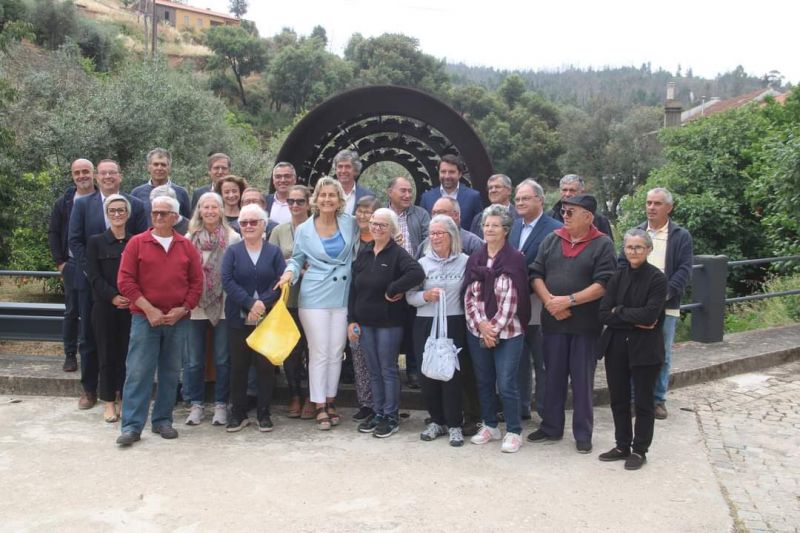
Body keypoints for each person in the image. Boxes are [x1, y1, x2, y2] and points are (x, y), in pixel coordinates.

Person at [528, 194, 617, 454]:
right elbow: (536, 274)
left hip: (585, 326)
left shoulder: (602, 244)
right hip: (553, 322)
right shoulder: (552, 239)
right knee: (552, 377)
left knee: (582, 381)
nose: (564, 216)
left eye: (570, 212)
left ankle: (583, 433)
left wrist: (568, 301)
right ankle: (551, 427)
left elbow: (604, 283)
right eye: (563, 212)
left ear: (588, 217)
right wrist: (550, 302)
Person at [115, 196, 203, 446]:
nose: (158, 217)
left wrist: (183, 309)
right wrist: (149, 309)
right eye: (155, 212)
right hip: (145, 319)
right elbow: (125, 281)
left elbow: (197, 283)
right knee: (138, 372)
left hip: (177, 320)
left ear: (175, 217)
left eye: (164, 213)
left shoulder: (186, 246)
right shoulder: (137, 243)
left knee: (170, 372)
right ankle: (132, 426)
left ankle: (163, 420)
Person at [277, 177, 359, 430]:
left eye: (331, 195)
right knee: (319, 351)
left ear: (339, 199)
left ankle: (331, 400)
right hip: (314, 295)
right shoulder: (304, 229)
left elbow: (364, 244)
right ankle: (319, 404)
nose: (327, 199)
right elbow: (296, 259)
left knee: (336, 351)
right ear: (316, 200)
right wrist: (288, 273)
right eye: (322, 195)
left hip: (342, 294)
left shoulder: (350, 223)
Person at [68, 159, 148, 410]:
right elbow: (75, 241)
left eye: (113, 172)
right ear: (96, 176)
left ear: (120, 176)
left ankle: (120, 392)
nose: (108, 177)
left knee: (125, 343)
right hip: (92, 284)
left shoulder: (135, 205)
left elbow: (143, 242)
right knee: (90, 339)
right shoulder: (83, 204)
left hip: (128, 290)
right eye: (103, 173)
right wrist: (91, 271)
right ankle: (90, 390)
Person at [348, 208, 425, 438]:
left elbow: (417, 273)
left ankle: (391, 416)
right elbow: (353, 288)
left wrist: (393, 288)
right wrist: (351, 320)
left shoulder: (398, 254)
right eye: (374, 223)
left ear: (392, 229)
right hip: (365, 322)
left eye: (382, 225)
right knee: (373, 370)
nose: (377, 228)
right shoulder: (364, 252)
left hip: (389, 322)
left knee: (387, 369)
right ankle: (378, 412)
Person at [620, 187, 693, 420]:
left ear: (669, 208)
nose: (651, 207)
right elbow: (622, 264)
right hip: (636, 305)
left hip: (666, 305)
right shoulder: (636, 232)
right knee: (635, 351)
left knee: (662, 354)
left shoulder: (680, 236)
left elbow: (684, 270)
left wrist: (663, 294)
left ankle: (657, 400)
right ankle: (635, 399)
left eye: (657, 203)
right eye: (649, 202)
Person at [463, 205, 530, 453]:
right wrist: (481, 326)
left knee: (506, 382)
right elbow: (469, 296)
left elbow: (513, 299)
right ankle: (490, 425)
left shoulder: (515, 258)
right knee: (484, 380)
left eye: (495, 225)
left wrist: (493, 329)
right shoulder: (475, 258)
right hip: (478, 330)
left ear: (506, 230)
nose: (489, 229)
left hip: (509, 332)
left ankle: (513, 430)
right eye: (486, 225)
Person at [598, 229, 667, 470]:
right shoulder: (617, 277)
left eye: (638, 247)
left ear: (648, 249)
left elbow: (650, 315)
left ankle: (639, 450)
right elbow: (603, 313)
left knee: (644, 402)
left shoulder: (657, 279)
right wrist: (630, 317)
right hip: (616, 346)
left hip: (645, 348)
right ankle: (622, 445)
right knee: (618, 399)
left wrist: (619, 311)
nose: (633, 251)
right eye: (629, 247)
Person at [221, 204, 286, 432]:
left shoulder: (274, 252)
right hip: (238, 318)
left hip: (267, 319)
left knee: (265, 367)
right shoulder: (233, 251)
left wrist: (262, 304)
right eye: (244, 222)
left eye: (253, 222)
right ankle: (238, 413)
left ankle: (263, 413)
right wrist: (250, 303)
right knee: (238, 366)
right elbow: (227, 280)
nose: (248, 226)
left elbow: (280, 281)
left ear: (263, 225)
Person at [407, 214, 470, 447]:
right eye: (431, 234)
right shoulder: (421, 264)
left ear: (451, 235)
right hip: (426, 322)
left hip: (455, 322)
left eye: (439, 233)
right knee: (428, 373)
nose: (434, 238)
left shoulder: (465, 261)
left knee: (452, 374)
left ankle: (455, 424)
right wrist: (425, 296)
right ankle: (436, 421)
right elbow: (409, 297)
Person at [183, 192, 241, 427]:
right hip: (196, 306)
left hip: (224, 304)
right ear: (199, 210)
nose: (209, 211)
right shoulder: (189, 238)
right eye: (205, 207)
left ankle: (220, 405)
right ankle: (196, 405)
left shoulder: (233, 237)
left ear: (221, 210)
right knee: (194, 360)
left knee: (222, 359)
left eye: (214, 207)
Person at [508, 179, 562, 420]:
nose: (520, 202)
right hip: (516, 307)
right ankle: (521, 409)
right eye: (517, 199)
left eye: (525, 198)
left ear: (540, 200)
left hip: (542, 304)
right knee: (519, 362)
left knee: (543, 363)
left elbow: (556, 267)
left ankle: (546, 413)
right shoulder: (514, 227)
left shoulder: (555, 229)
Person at [86, 194, 132, 423]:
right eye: (112, 210)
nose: (117, 214)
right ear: (107, 214)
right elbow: (93, 276)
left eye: (121, 210)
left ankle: (123, 398)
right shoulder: (96, 241)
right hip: (104, 307)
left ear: (127, 213)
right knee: (106, 354)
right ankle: (108, 402)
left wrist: (130, 297)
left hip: (130, 307)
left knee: (126, 355)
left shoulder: (136, 241)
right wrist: (113, 297)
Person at [268, 185, 313, 419]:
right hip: (288, 300)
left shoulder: (318, 227)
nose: (295, 205)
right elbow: (271, 262)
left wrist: (298, 266)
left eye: (300, 201)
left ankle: (312, 396)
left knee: (313, 350)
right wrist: (292, 266)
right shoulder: (279, 230)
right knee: (292, 351)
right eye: (291, 201)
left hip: (315, 299)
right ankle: (295, 394)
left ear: (309, 203)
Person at [48, 158, 95, 372]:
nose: (81, 175)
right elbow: (53, 232)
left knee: (93, 311)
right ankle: (70, 354)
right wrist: (60, 262)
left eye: (85, 171)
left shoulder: (102, 199)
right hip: (72, 265)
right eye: (77, 172)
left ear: (93, 173)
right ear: (72, 175)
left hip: (97, 265)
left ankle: (93, 354)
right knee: (72, 311)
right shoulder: (64, 202)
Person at [386, 176, 430, 388]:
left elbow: (427, 243)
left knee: (414, 329)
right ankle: (390, 369)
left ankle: (414, 370)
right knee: (390, 327)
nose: (407, 195)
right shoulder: (381, 215)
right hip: (388, 281)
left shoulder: (420, 214)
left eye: (409, 191)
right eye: (402, 190)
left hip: (414, 281)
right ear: (390, 192)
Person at [345, 195, 383, 422]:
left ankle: (383, 405)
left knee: (379, 360)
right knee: (358, 355)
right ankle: (366, 404)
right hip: (353, 303)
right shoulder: (352, 239)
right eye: (359, 210)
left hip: (378, 308)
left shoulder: (384, 241)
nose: (362, 215)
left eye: (367, 211)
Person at [420, 155, 483, 231]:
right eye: (443, 172)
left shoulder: (473, 197)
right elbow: (423, 229)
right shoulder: (426, 198)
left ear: (459, 174)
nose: (447, 176)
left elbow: (479, 227)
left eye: (451, 172)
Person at [130, 148, 191, 219]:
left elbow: (188, 221)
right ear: (148, 167)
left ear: (169, 168)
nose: (159, 168)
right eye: (156, 164)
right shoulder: (137, 193)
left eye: (163, 165)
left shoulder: (181, 193)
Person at [547, 174, 613, 239]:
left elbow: (607, 244)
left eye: (572, 190)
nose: (567, 194)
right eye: (564, 190)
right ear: (560, 191)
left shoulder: (599, 220)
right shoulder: (549, 217)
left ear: (582, 192)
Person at [416, 197, 483, 258]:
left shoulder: (472, 243)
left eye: (440, 212)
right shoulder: (426, 244)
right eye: (433, 213)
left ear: (456, 215)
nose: (436, 216)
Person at [332, 149, 375, 215]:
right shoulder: (326, 195)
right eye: (340, 167)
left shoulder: (368, 196)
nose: (343, 171)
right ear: (336, 170)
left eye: (347, 167)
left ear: (355, 170)